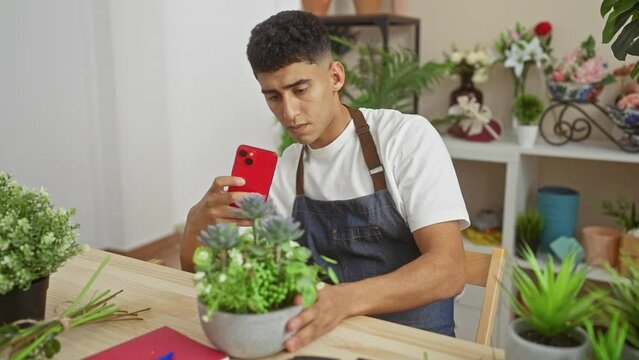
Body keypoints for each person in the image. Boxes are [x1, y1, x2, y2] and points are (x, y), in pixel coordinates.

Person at [180, 10, 469, 353]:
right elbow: (216, 272)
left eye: (300, 89)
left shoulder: (404, 138)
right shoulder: (288, 168)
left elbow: (449, 269)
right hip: (327, 344)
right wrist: (196, 223)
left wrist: (342, 301)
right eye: (273, 96)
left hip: (416, 346)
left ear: (334, 76)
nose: (289, 112)